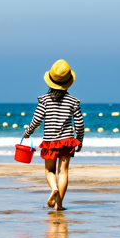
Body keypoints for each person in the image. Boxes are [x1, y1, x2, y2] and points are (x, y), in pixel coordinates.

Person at [23, 59, 84, 211]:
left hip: (50, 141)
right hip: (67, 141)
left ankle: (54, 188)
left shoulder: (44, 100)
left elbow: (36, 119)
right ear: (68, 82)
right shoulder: (73, 101)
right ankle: (59, 205)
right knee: (63, 172)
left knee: (49, 171)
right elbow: (79, 124)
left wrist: (28, 132)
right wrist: (79, 140)